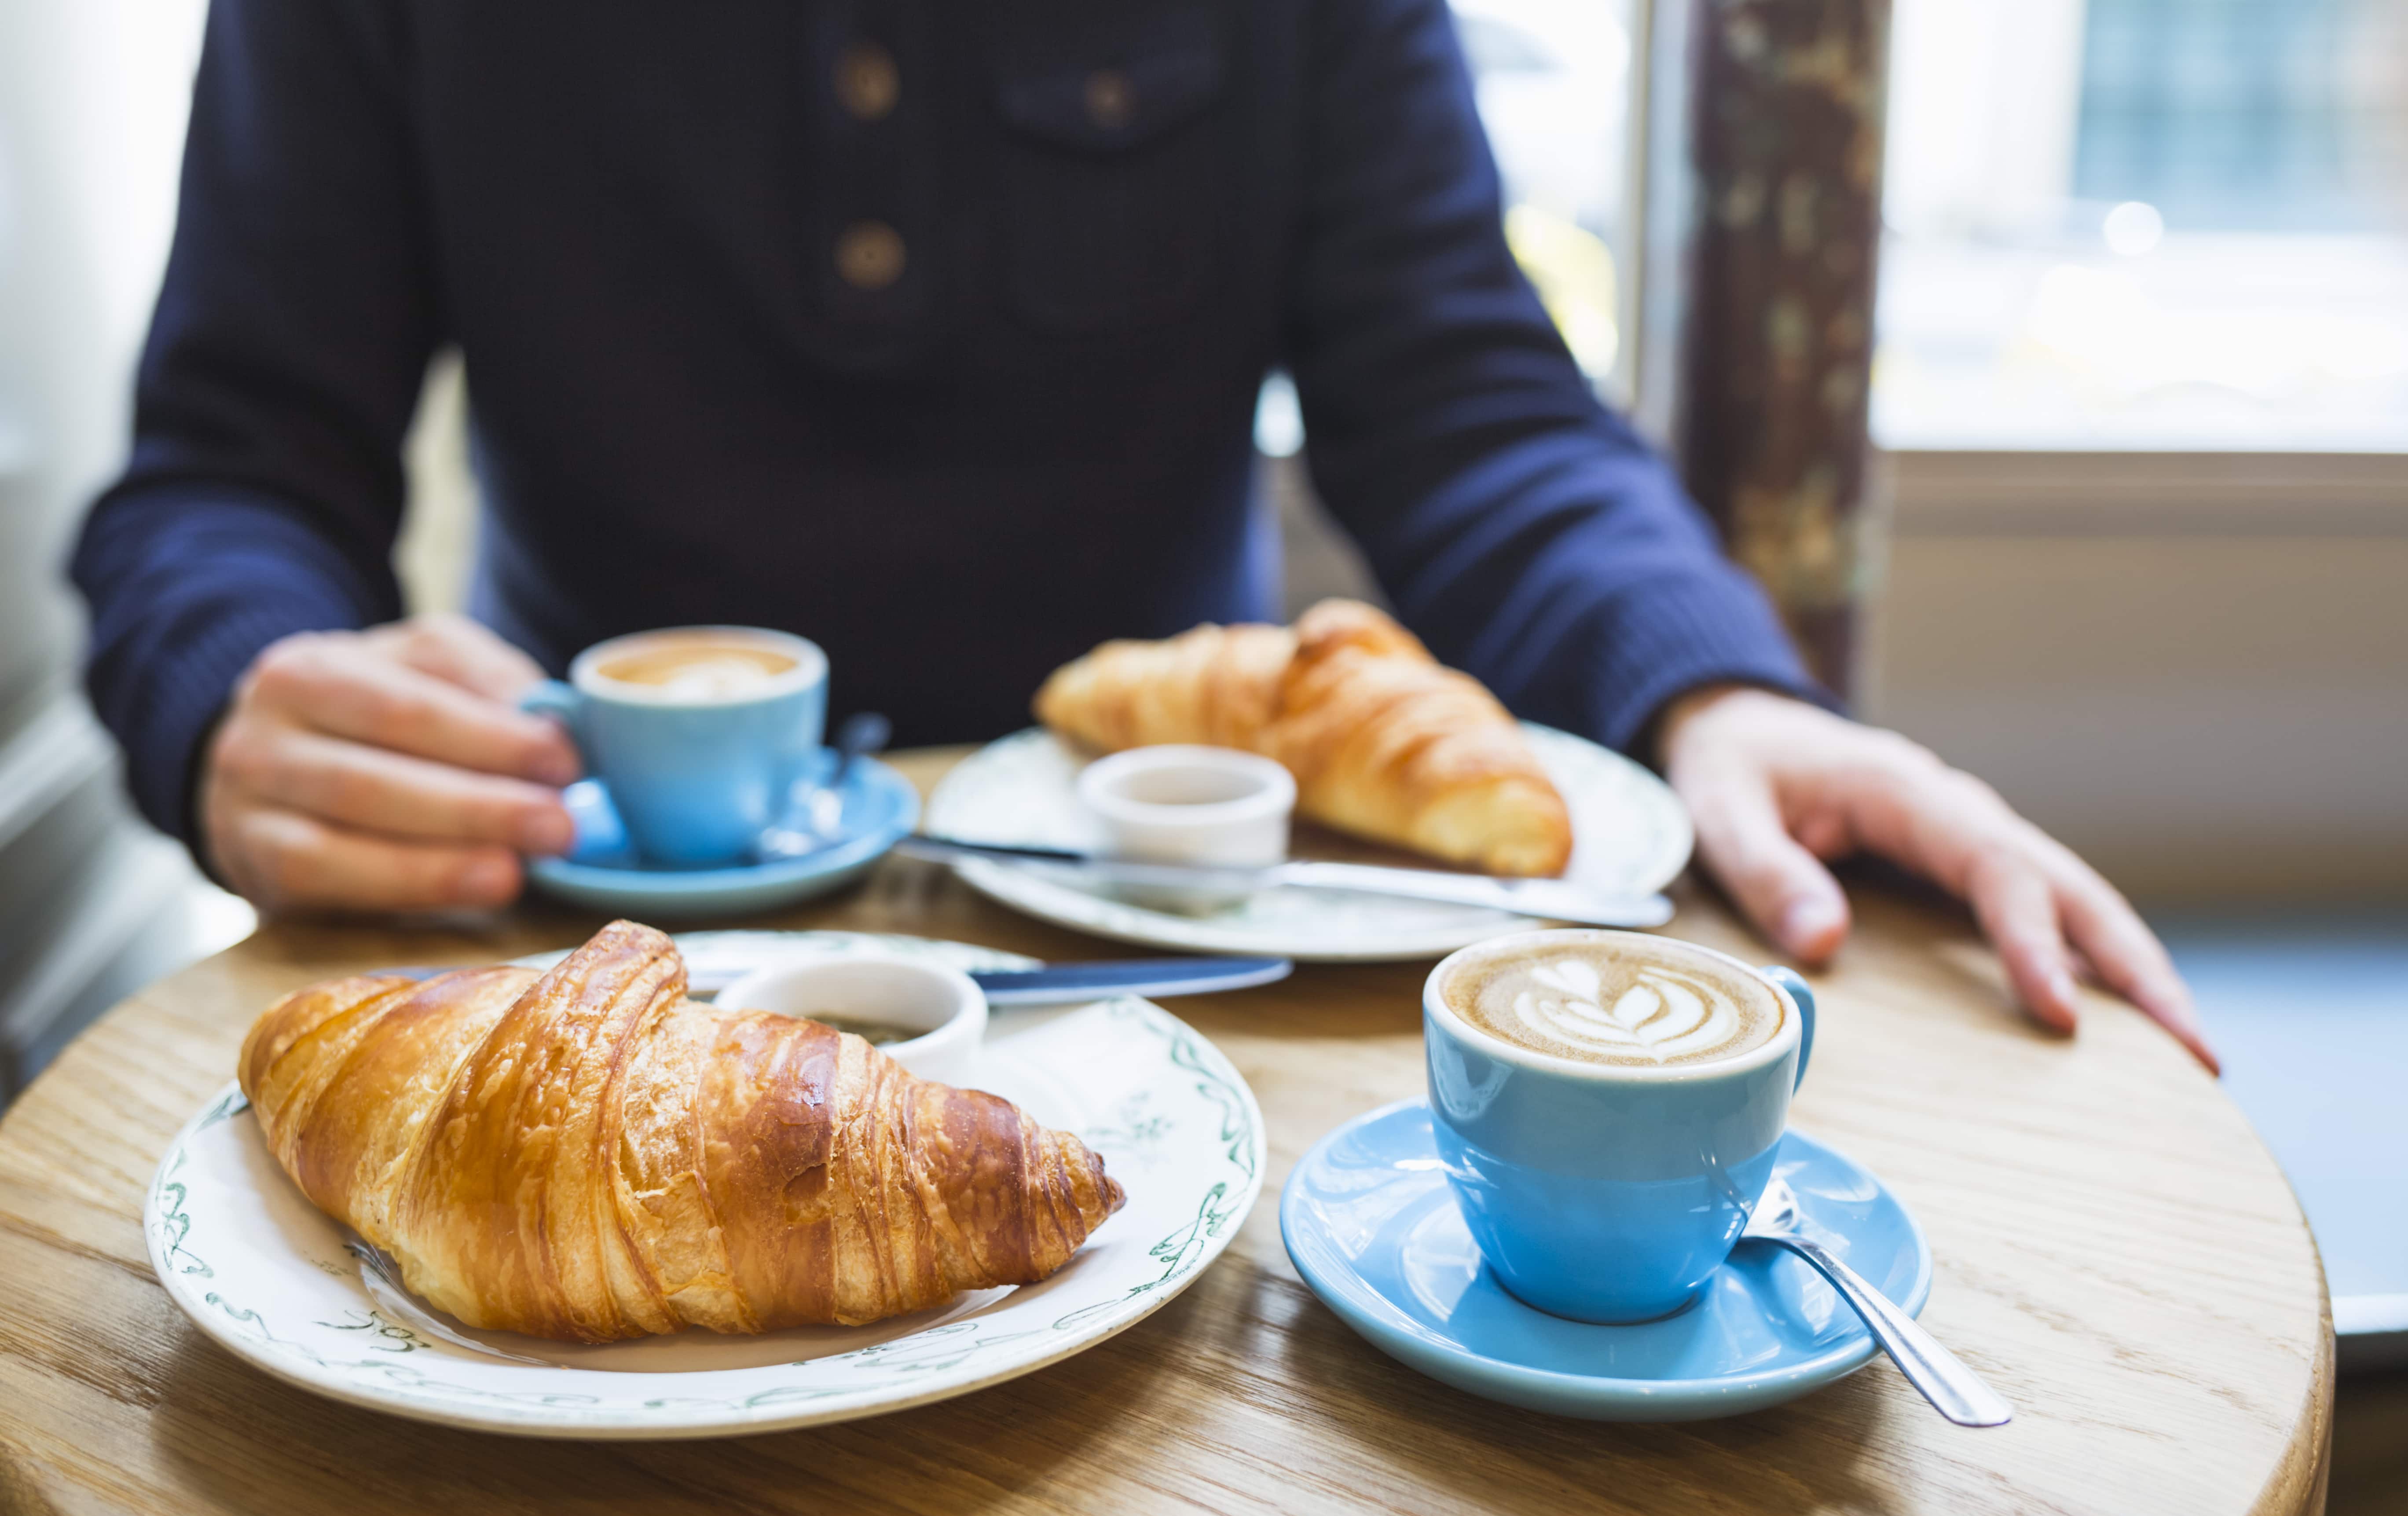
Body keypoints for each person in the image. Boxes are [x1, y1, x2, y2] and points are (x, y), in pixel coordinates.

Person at [71, 0, 2213, 1069]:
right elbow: (229, 473)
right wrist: (236, 693)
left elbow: (1462, 398)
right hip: (586, 948)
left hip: (1203, 978)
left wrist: (1712, 678)